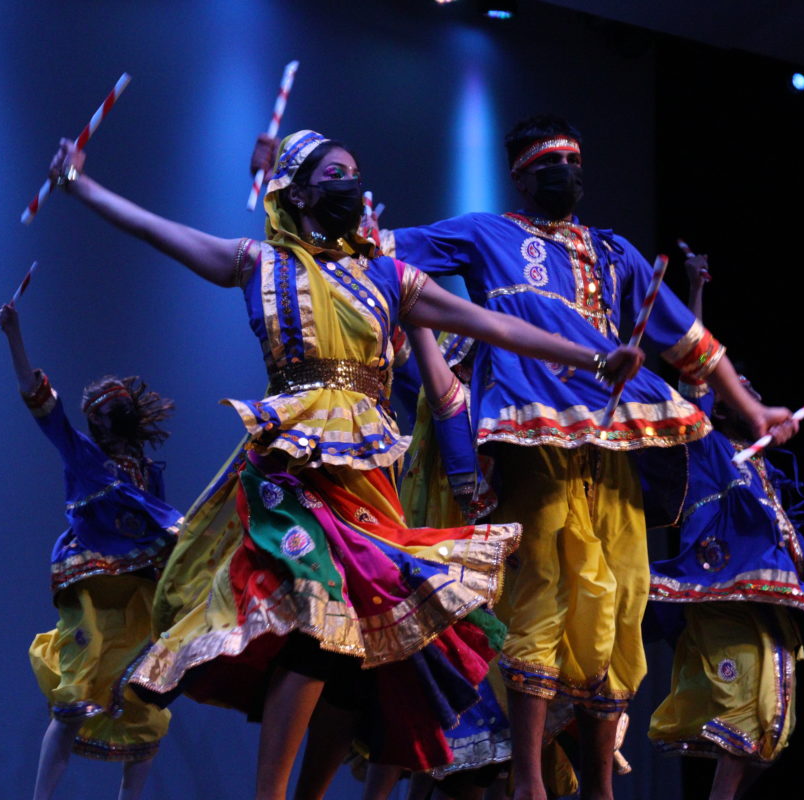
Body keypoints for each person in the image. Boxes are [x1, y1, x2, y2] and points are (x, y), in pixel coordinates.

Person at [44, 127, 643, 800]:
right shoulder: (259, 263)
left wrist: (592, 356)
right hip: (290, 470)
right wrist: (81, 186)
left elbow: (496, 326)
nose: (351, 186)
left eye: (355, 173)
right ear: (298, 192)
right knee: (316, 618)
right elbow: (160, 231)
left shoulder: (390, 275)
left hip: (368, 478)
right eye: (336, 175)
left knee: (366, 654)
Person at [256, 115, 796, 800]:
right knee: (540, 587)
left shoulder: (615, 253)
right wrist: (272, 180)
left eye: (574, 160)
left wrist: (754, 412)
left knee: (617, 596)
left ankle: (598, 784)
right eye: (550, 162)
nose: (565, 172)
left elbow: (691, 342)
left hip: (612, 442)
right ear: (521, 173)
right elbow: (365, 247)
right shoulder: (485, 232)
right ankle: (530, 783)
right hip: (531, 435)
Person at [646, 254, 804, 800]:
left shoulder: (756, 462)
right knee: (743, 717)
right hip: (720, 589)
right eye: (736, 391)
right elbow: (695, 361)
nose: (743, 395)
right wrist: (693, 291)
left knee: (774, 725)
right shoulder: (702, 443)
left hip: (770, 594)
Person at [0, 304, 184, 800]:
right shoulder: (83, 454)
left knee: (146, 696)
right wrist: (15, 334)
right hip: (92, 581)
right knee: (75, 694)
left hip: (140, 586)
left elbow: (163, 524)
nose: (100, 417)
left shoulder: (147, 470)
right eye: (95, 412)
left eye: (106, 409)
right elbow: (40, 400)